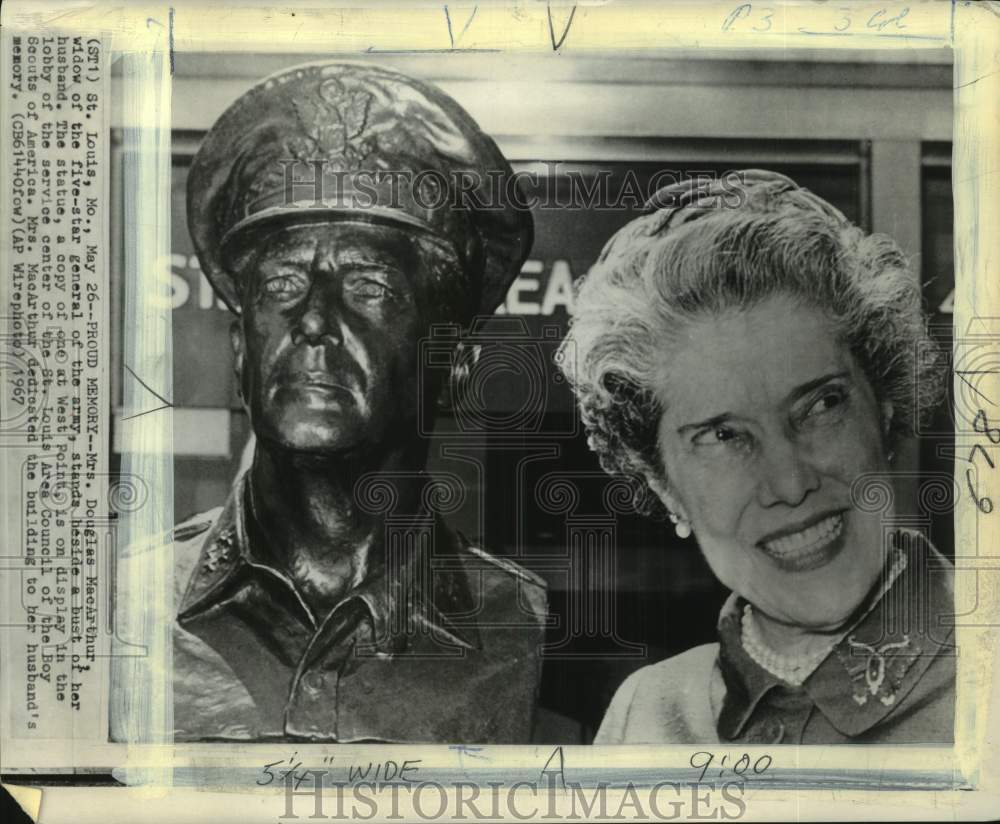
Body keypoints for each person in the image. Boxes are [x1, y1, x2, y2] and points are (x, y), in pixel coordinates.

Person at [117, 61, 547, 743]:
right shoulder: (117, 609)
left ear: (451, 365)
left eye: (368, 287)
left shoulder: (524, 628)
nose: (312, 321)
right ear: (238, 352)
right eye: (283, 285)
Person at [557, 170, 954, 745]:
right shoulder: (645, 715)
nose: (789, 483)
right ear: (662, 483)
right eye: (722, 436)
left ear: (885, 408)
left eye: (820, 405)